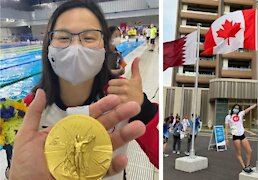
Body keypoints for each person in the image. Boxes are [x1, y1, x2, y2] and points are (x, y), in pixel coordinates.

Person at [10, 1, 159, 179]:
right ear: (48, 46)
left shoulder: (123, 96)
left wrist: (144, 108)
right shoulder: (30, 107)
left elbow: (161, 155)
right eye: (63, 37)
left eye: (88, 38)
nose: (75, 47)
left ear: (104, 46)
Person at [225, 104, 257, 173]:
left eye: (237, 108)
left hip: (242, 135)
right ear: (232, 108)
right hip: (235, 136)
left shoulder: (240, 114)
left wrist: (256, 104)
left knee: (249, 150)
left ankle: (247, 165)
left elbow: (249, 109)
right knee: (238, 152)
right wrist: (226, 138)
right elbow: (226, 128)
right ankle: (244, 167)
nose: (236, 109)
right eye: (235, 108)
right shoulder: (228, 117)